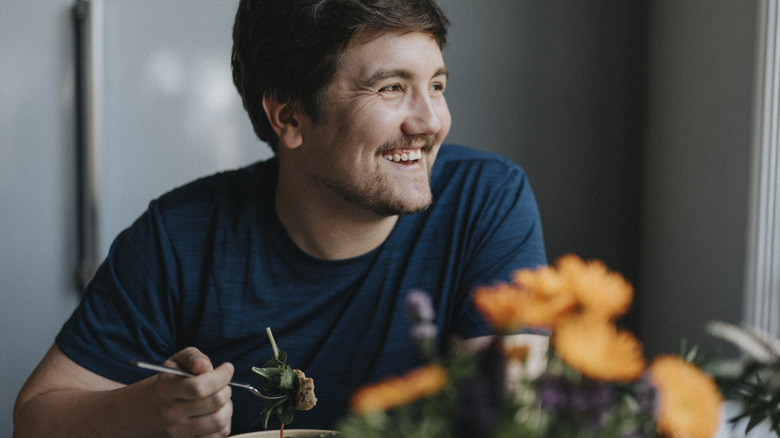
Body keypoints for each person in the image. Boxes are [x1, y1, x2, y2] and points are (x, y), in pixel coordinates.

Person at [13, 0, 547, 436]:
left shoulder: (488, 199)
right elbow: (34, 418)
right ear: (289, 117)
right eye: (391, 88)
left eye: (436, 84)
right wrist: (146, 411)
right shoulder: (181, 237)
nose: (431, 121)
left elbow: (510, 416)